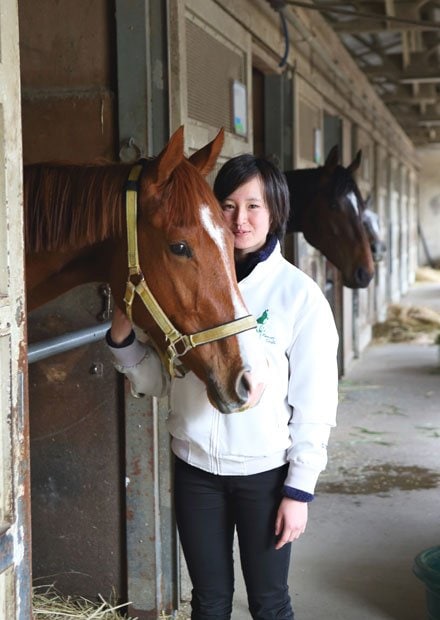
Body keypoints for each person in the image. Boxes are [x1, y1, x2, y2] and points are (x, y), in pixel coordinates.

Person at [107, 154, 339, 620]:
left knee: (269, 604)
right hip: (196, 471)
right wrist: (122, 340)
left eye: (254, 206)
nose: (240, 219)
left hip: (265, 476)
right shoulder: (189, 279)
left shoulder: (299, 295)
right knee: (208, 603)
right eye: (228, 205)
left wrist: (299, 491)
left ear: (274, 212)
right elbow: (159, 380)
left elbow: (315, 404)